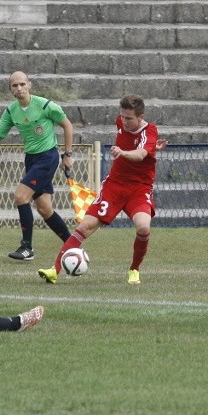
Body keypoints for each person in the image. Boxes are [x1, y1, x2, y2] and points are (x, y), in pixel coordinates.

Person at [38, 94, 168, 285]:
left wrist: (125, 152)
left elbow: (140, 154)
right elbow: (141, 146)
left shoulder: (150, 131)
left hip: (139, 189)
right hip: (114, 186)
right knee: (84, 226)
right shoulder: (121, 123)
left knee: (143, 227)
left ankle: (134, 269)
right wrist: (150, 148)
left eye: (129, 118)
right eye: (122, 116)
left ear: (140, 117)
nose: (124, 121)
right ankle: (54, 270)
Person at [0, 71, 74, 261]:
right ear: (10, 89)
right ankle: (73, 245)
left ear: (30, 85)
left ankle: (27, 248)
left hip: (47, 157)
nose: (19, 88)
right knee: (45, 209)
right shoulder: (11, 110)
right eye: (15, 86)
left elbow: (67, 125)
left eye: (22, 84)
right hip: (31, 159)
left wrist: (68, 155)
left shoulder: (46, 105)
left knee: (21, 196)